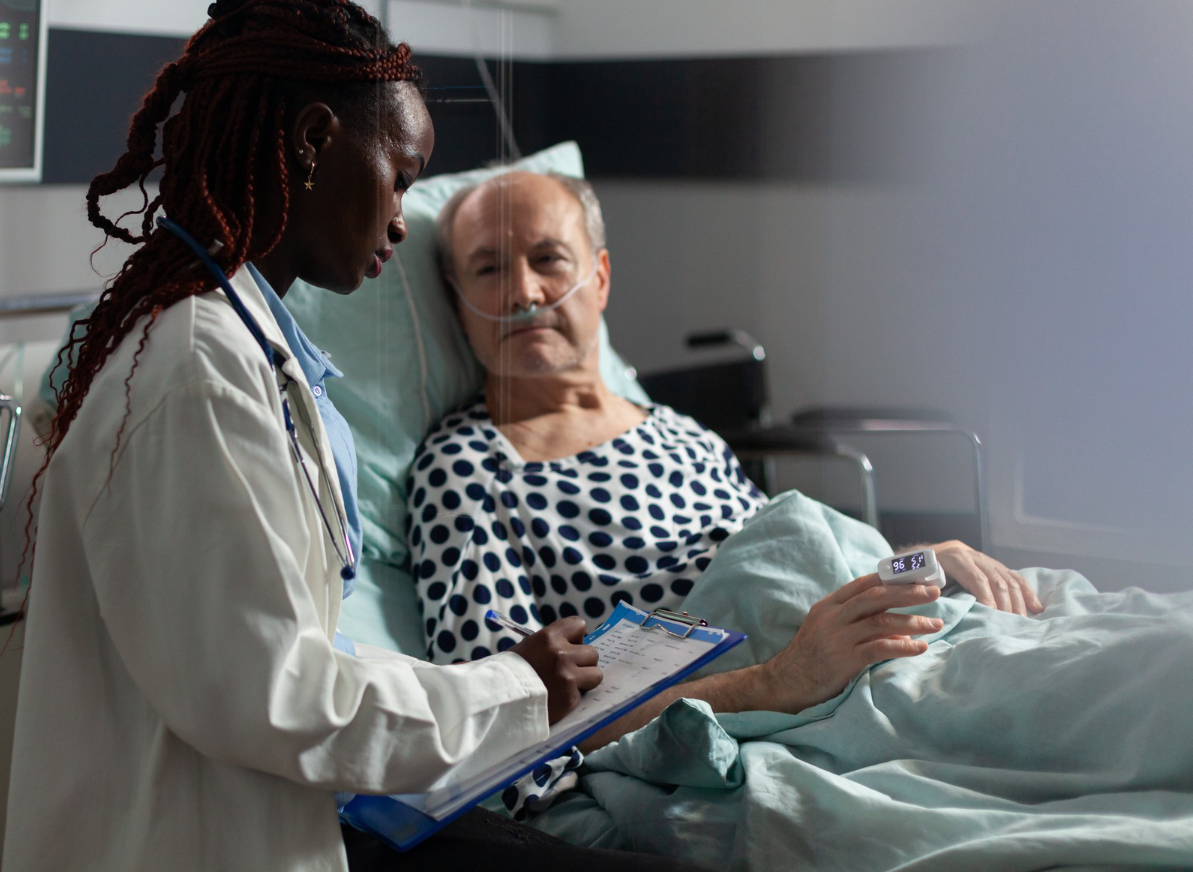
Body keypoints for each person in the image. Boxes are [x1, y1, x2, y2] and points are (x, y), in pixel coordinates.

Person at [2, 0, 610, 872]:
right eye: (399, 176)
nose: (403, 216)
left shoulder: (243, 349)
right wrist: (511, 687)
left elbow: (265, 642)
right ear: (317, 141)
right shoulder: (198, 368)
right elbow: (274, 693)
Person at [410, 169, 1042, 751]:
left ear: (599, 277)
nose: (524, 292)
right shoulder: (465, 471)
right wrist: (777, 681)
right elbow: (504, 716)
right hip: (799, 703)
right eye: (489, 269)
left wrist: (920, 563)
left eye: (548, 258)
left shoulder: (681, 432)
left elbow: (798, 570)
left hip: (893, 642)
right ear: (458, 299)